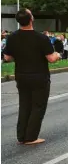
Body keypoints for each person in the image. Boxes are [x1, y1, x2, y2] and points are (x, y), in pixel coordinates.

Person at [3, 9, 61, 145]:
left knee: (24, 105)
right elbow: (51, 58)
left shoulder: (12, 37)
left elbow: (7, 57)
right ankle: (31, 136)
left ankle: (21, 135)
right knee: (38, 106)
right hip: (39, 76)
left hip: (21, 75)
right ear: (31, 19)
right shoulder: (41, 38)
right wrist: (58, 55)